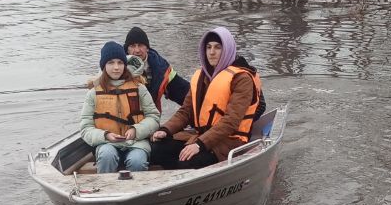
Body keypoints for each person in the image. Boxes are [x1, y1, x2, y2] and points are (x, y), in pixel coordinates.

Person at [150, 26, 264, 170]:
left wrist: (200, 144)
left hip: (229, 140)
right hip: (201, 136)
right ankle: (170, 184)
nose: (211, 52)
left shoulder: (242, 79)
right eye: (208, 47)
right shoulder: (201, 76)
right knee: (156, 150)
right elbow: (186, 112)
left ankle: (185, 184)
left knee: (188, 163)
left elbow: (231, 121)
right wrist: (166, 129)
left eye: (217, 47)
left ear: (227, 50)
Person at [80, 41, 160, 174]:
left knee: (137, 161)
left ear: (125, 64)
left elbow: (154, 117)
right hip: (107, 143)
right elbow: (85, 128)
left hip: (136, 142)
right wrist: (105, 135)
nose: (116, 67)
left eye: (120, 62)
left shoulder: (139, 88)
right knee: (107, 156)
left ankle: (138, 193)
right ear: (104, 66)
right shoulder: (93, 93)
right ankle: (106, 191)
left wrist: (136, 130)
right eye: (111, 63)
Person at [123, 26, 190, 111]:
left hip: (151, 118)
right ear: (127, 50)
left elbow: (183, 91)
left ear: (147, 48)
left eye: (140, 45)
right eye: (132, 46)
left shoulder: (161, 68)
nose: (137, 50)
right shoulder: (117, 65)